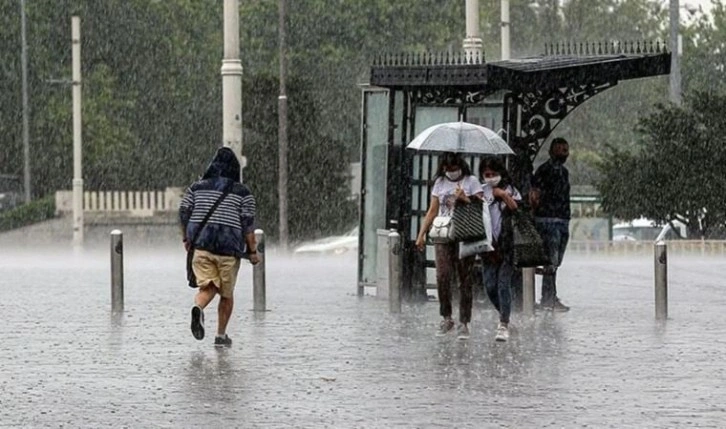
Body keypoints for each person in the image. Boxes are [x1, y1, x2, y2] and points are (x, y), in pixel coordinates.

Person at [179, 147, 260, 347]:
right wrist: (252, 252)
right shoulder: (243, 193)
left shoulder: (196, 188)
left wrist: (187, 238)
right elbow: (247, 225)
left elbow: (184, 212)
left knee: (208, 286)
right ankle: (221, 336)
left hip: (202, 246)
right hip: (229, 250)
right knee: (226, 293)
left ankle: (198, 306)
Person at [415, 152, 483, 340]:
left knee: (464, 277)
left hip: (465, 233)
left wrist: (465, 198)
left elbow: (481, 207)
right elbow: (433, 209)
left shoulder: (471, 181)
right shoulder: (440, 183)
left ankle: (464, 320)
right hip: (443, 232)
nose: (450, 172)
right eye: (447, 169)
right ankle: (446, 316)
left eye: (453, 169)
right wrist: (422, 234)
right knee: (442, 274)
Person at [479, 157, 521, 342]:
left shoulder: (510, 189)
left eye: (493, 174)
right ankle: (505, 313)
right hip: (488, 246)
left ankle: (503, 323)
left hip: (507, 245)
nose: (490, 178)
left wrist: (503, 195)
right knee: (490, 285)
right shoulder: (480, 191)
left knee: (503, 284)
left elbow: (517, 209)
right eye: (486, 175)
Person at [530, 137, 571, 312]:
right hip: (547, 220)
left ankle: (550, 295)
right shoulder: (543, 171)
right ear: (552, 151)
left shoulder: (564, 172)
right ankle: (548, 297)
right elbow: (535, 195)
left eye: (566, 150)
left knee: (556, 260)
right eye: (561, 149)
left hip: (562, 220)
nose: (564, 153)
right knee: (550, 260)